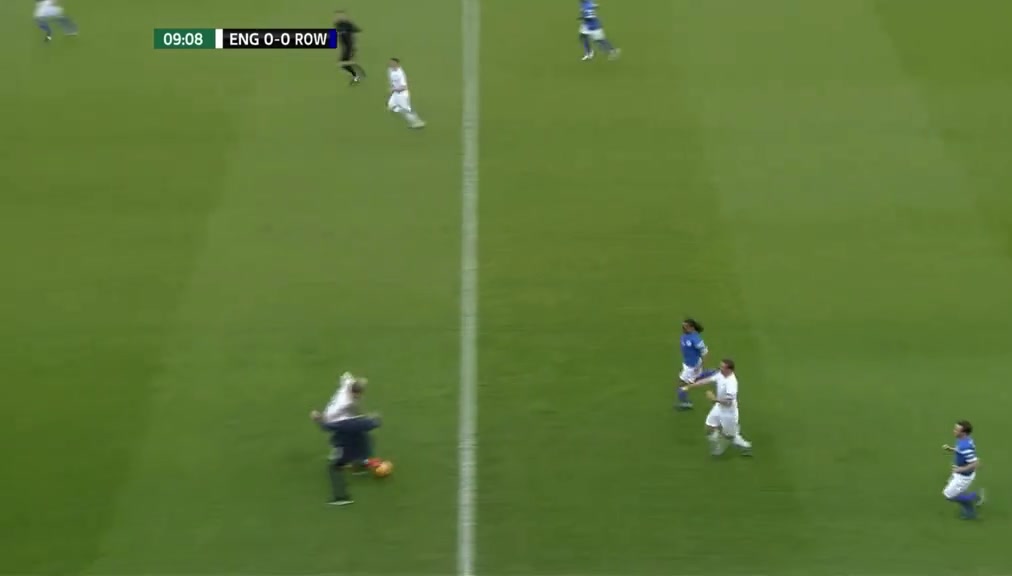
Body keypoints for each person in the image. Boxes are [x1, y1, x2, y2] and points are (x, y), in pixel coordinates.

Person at [680, 359, 752, 456]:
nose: (720, 368)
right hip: (718, 408)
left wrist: (714, 399)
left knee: (731, 437)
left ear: (729, 370)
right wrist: (689, 387)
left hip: (729, 414)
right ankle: (720, 440)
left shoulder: (731, 383)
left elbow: (728, 402)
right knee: (709, 427)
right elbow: (706, 380)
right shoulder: (720, 375)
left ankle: (746, 447)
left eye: (722, 367)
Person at [942, 420, 985, 519]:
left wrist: (960, 469)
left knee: (949, 495)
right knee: (955, 492)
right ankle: (971, 510)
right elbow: (963, 451)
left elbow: (975, 463)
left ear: (964, 433)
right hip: (961, 473)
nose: (954, 431)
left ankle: (973, 498)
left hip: (963, 476)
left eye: (957, 430)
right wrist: (952, 449)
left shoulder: (965, 446)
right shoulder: (964, 440)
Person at [387, 58, 425, 129]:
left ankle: (418, 123)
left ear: (397, 64)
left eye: (392, 63)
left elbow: (404, 87)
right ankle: (408, 113)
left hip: (402, 94)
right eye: (390, 62)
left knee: (406, 110)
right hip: (395, 94)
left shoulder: (400, 73)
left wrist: (393, 89)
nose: (390, 64)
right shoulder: (390, 70)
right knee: (391, 106)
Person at [334, 10, 365, 84]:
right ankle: (356, 74)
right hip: (345, 48)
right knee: (342, 64)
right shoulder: (338, 24)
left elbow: (357, 30)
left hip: (349, 48)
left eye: (340, 16)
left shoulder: (348, 25)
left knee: (343, 63)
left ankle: (357, 74)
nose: (337, 17)